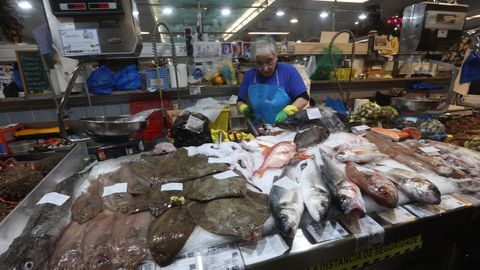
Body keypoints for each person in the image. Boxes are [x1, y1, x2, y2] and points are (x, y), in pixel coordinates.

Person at [236, 36, 309, 125]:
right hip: (258, 129)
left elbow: (304, 98)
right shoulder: (249, 75)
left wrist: (286, 112)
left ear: (276, 57)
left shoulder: (288, 72)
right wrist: (245, 109)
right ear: (254, 61)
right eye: (259, 63)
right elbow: (240, 100)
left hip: (286, 128)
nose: (265, 68)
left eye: (269, 61)